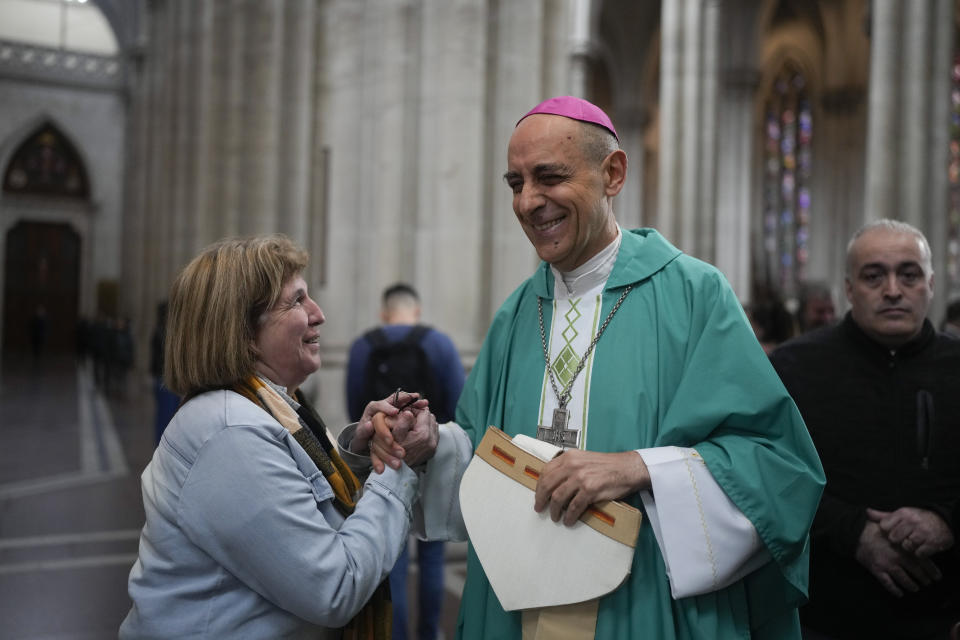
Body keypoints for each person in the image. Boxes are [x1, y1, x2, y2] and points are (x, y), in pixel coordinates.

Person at [363, 96, 825, 639]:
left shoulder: (694, 295)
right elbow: (485, 456)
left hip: (642, 601)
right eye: (515, 183)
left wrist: (636, 467)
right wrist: (430, 446)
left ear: (613, 173)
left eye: (550, 177)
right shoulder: (516, 313)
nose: (529, 201)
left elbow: (774, 463)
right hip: (517, 604)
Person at [120, 234, 440, 638]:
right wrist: (397, 466)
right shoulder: (229, 433)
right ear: (241, 330)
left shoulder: (273, 405)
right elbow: (333, 587)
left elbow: (311, 508)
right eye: (297, 301)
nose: (319, 314)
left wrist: (362, 451)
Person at [771, 220, 960, 639]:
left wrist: (947, 522)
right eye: (874, 276)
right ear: (849, 289)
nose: (893, 289)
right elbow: (767, 475)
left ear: (930, 284)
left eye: (909, 275)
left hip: (942, 617)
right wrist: (853, 531)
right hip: (822, 614)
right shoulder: (794, 368)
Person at [346, 283, 465, 640]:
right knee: (431, 556)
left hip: (383, 463)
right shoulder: (439, 344)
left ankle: (393, 634)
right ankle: (429, 633)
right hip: (432, 461)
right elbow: (460, 406)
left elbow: (356, 409)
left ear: (385, 312)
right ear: (416, 311)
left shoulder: (362, 346)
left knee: (391, 558)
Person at [149, 301, 179, 444]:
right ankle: (162, 447)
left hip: (163, 379)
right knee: (166, 416)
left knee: (166, 415)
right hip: (164, 379)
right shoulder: (163, 333)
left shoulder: (159, 331)